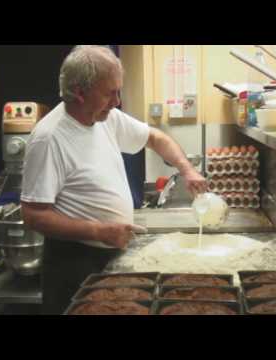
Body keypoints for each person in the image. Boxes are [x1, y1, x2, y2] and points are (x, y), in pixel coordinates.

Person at [20, 45, 207, 314]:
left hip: (110, 252)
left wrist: (187, 168)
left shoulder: (105, 118)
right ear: (80, 92)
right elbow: (34, 215)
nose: (117, 101)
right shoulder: (49, 138)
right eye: (110, 93)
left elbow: (155, 138)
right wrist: (98, 231)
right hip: (74, 263)